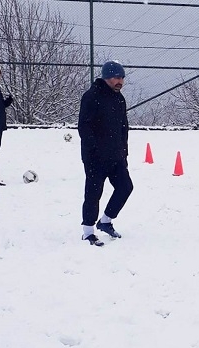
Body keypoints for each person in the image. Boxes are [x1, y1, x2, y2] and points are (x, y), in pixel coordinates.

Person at [78, 61, 134, 247]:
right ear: (106, 77)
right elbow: (84, 126)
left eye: (122, 78)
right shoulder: (92, 96)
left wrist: (123, 150)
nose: (120, 81)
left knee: (125, 187)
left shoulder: (119, 99)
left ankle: (106, 221)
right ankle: (88, 231)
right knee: (93, 193)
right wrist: (93, 150)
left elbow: (122, 127)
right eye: (116, 77)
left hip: (116, 156)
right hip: (96, 157)